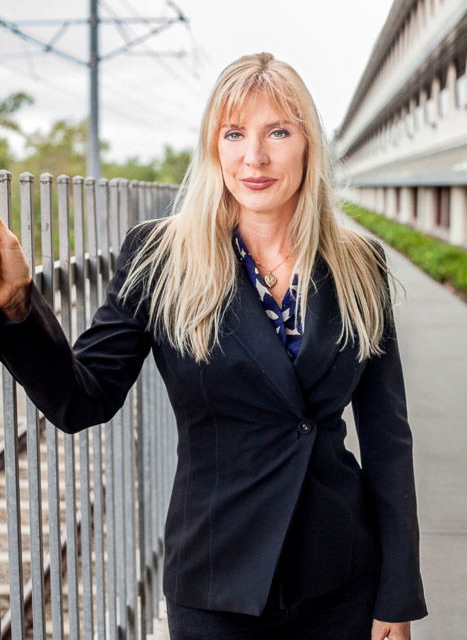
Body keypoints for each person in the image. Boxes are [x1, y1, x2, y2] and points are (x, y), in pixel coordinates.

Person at [0, 52, 428, 639]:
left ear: (309, 145)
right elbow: (83, 399)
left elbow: (387, 437)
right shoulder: (161, 257)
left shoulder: (359, 264)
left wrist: (397, 595)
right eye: (234, 134)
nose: (254, 156)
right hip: (216, 580)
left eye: (278, 131)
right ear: (213, 147)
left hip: (341, 578)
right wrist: (16, 305)